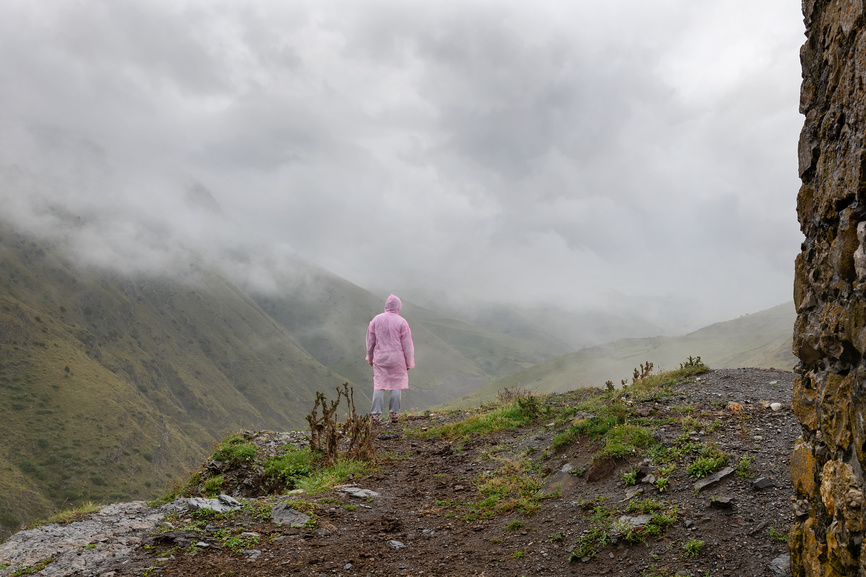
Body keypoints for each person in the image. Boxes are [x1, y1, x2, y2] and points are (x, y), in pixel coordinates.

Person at [365, 294, 415, 423]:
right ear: (398, 307)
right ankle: (394, 414)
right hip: (397, 358)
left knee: (379, 385)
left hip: (380, 357)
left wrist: (370, 357)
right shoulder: (402, 322)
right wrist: (408, 362)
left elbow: (370, 342)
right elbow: (407, 345)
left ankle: (375, 416)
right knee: (396, 385)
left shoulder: (376, 320)